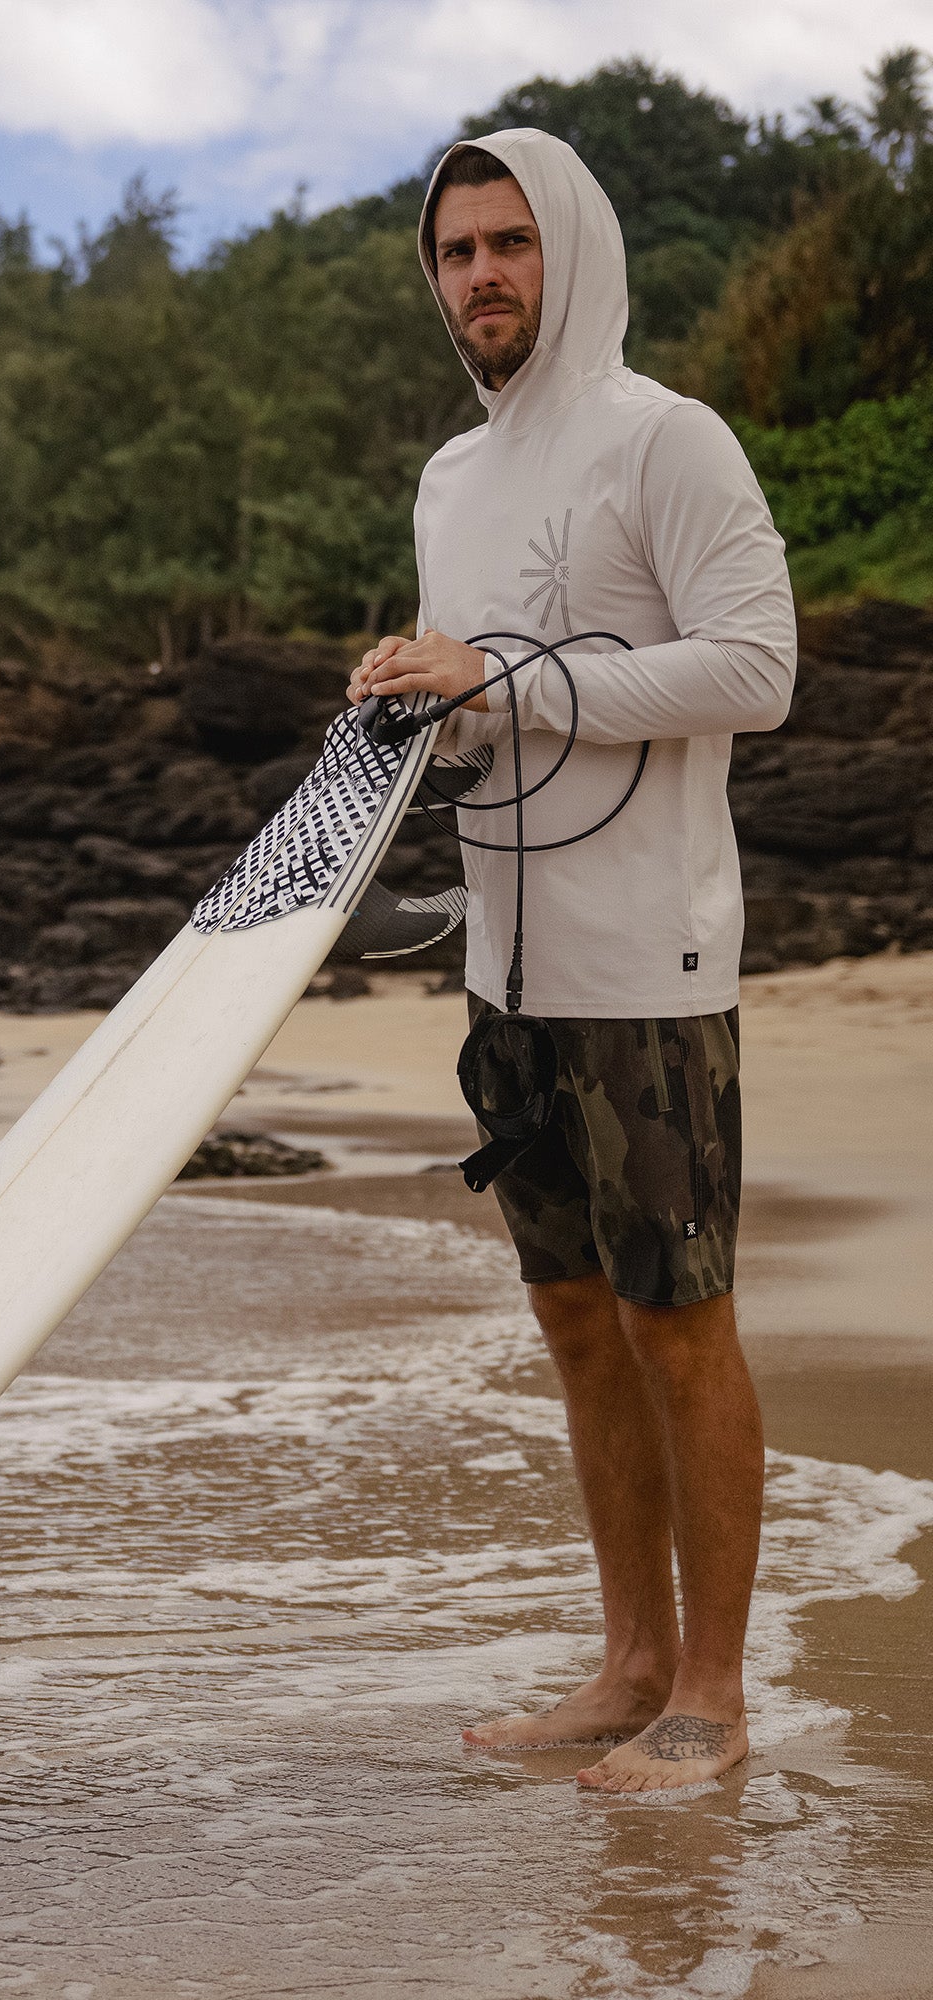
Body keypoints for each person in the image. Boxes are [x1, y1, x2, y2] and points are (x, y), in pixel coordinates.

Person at [346, 130, 796, 1792]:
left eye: (510, 243)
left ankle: (717, 1696)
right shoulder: (450, 483)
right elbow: (484, 708)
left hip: (649, 963)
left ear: (574, 250)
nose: (481, 276)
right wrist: (419, 699)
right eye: (456, 251)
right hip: (508, 968)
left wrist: (509, 681)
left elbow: (759, 666)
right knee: (576, 1322)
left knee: (681, 1323)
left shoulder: (665, 441)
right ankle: (627, 1665)